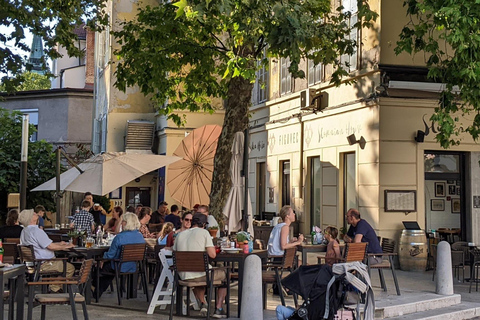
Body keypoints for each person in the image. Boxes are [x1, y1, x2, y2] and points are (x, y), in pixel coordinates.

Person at [173, 213, 228, 318]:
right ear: (203, 224)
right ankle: (219, 308)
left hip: (183, 275)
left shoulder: (180, 234)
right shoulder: (204, 233)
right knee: (225, 274)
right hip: (199, 274)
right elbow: (212, 254)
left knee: (196, 275)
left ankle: (203, 303)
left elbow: (174, 251)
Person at [19, 209, 75, 292]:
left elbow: (43, 244)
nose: (36, 214)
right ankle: (54, 287)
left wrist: (59, 243)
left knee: (63, 264)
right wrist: (66, 247)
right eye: (33, 214)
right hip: (45, 264)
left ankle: (54, 286)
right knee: (70, 268)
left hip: (33, 263)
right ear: (30, 219)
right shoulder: (37, 231)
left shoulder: (24, 231)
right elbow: (50, 246)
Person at [94, 212, 145, 298]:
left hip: (119, 265)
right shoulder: (140, 236)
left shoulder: (120, 237)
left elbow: (110, 255)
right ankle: (96, 291)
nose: (121, 223)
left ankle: (95, 290)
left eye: (123, 221)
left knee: (99, 267)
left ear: (126, 223)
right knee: (106, 268)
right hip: (133, 265)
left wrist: (102, 259)